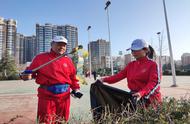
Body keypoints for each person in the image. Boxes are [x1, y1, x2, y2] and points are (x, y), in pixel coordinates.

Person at [20, 36, 80, 123]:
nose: (62, 47)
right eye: (59, 44)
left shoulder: (68, 60)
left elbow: (73, 77)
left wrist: (76, 89)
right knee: (45, 120)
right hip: (47, 96)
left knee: (63, 120)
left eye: (64, 45)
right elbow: (30, 72)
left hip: (64, 97)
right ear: (52, 45)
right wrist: (25, 76)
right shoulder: (40, 57)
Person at [101, 39, 161, 107]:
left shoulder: (153, 64)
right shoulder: (131, 65)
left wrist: (141, 93)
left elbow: (154, 82)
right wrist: (103, 79)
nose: (133, 52)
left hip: (150, 99)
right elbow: (118, 76)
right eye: (132, 50)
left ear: (146, 50)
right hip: (134, 96)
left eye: (137, 50)